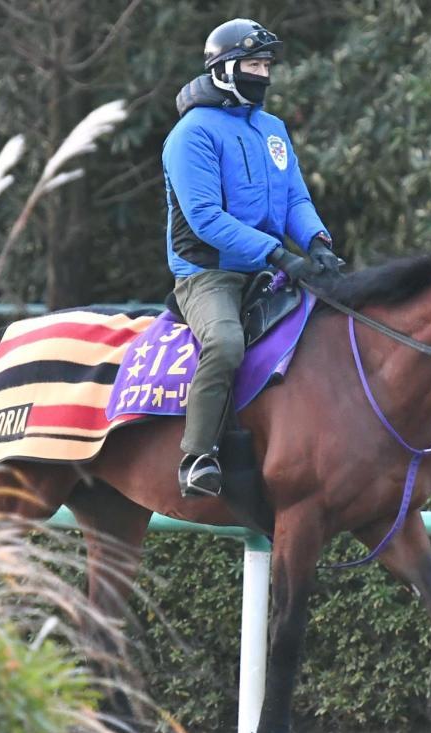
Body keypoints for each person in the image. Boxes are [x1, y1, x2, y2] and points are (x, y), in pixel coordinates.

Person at [162, 17, 341, 497]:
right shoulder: (191, 134)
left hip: (271, 264)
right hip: (209, 274)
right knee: (225, 344)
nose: (261, 75)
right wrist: (279, 255)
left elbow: (295, 200)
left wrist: (318, 243)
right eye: (252, 65)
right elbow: (204, 218)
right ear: (223, 70)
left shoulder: (274, 130)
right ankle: (197, 456)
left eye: (265, 65)